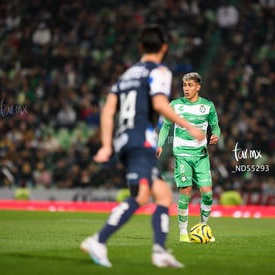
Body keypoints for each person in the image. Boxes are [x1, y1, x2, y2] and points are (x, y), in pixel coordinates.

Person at [80, 25, 205, 268]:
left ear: (141, 47)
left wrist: (106, 145)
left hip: (124, 140)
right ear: (164, 48)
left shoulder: (125, 75)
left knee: (163, 195)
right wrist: (189, 126)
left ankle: (159, 251)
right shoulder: (158, 71)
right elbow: (159, 103)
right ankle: (99, 240)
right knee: (141, 196)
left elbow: (108, 110)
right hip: (141, 140)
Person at [156, 72, 220, 243]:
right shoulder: (176, 105)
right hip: (182, 155)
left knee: (207, 193)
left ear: (198, 87)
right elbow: (166, 126)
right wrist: (160, 143)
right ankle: (183, 233)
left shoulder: (208, 106)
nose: (186, 89)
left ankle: (203, 228)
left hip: (201, 156)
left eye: (190, 85)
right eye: (185, 85)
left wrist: (216, 135)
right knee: (186, 191)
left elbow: (215, 126)